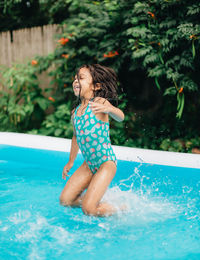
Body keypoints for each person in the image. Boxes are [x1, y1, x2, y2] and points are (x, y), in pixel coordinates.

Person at [59, 64, 125, 217]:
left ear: (96, 86)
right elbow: (76, 137)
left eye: (81, 78)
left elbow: (120, 117)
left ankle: (121, 208)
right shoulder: (75, 112)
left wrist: (110, 110)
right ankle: (96, 201)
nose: (76, 81)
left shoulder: (99, 103)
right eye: (75, 78)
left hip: (105, 163)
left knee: (88, 210)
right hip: (88, 164)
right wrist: (70, 161)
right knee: (66, 200)